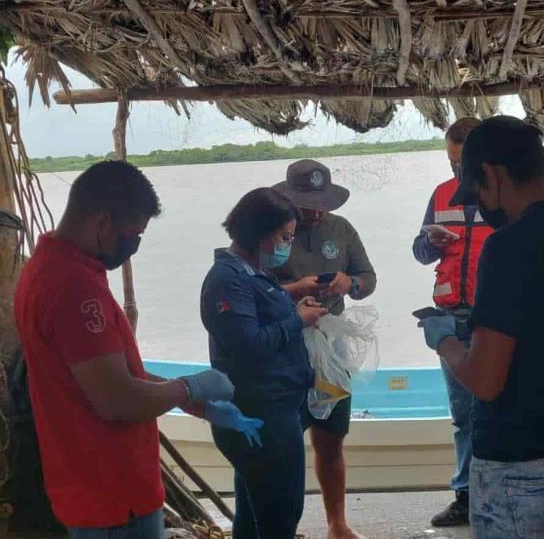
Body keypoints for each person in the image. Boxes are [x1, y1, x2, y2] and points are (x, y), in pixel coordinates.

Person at [14, 161, 249, 539]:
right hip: (110, 498)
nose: (133, 248)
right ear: (103, 222)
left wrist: (195, 405)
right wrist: (191, 386)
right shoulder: (72, 287)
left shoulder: (50, 267)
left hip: (94, 489)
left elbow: (118, 373)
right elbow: (117, 400)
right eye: (133, 235)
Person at [419, 116, 544, 539]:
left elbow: (486, 380)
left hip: (519, 462)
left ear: (492, 174)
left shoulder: (509, 246)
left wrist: (444, 340)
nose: (479, 203)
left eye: (476, 190)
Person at [201, 187, 328, 539]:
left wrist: (294, 304)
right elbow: (249, 345)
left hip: (272, 410)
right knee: (280, 516)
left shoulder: (252, 273)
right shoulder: (226, 280)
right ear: (260, 232)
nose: (289, 243)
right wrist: (297, 322)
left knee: (253, 512)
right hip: (260, 413)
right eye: (285, 237)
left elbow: (258, 316)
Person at [272, 159, 376, 539]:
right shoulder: (273, 231)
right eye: (305, 205)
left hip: (332, 349)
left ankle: (337, 523)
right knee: (284, 443)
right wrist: (297, 291)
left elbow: (369, 278)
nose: (315, 212)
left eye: (322, 204)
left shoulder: (341, 229)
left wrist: (351, 285)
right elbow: (253, 289)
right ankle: (281, 526)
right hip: (285, 347)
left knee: (331, 438)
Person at [412, 116, 493, 527]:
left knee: (497, 407)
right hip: (451, 317)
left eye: (462, 164)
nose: (456, 173)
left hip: (496, 321)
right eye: (451, 163)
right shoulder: (442, 195)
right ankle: (465, 496)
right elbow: (419, 252)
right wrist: (430, 241)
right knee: (463, 415)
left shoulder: (506, 197)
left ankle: (495, 493)